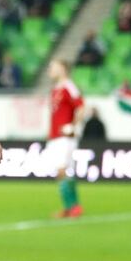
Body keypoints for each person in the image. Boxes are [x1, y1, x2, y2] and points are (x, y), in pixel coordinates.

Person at [44, 59, 84, 218]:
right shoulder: (55, 89)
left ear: (62, 68)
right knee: (62, 171)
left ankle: (70, 207)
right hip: (55, 135)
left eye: (53, 66)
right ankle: (73, 206)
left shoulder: (69, 86)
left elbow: (81, 107)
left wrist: (72, 126)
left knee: (62, 170)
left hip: (64, 136)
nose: (50, 69)